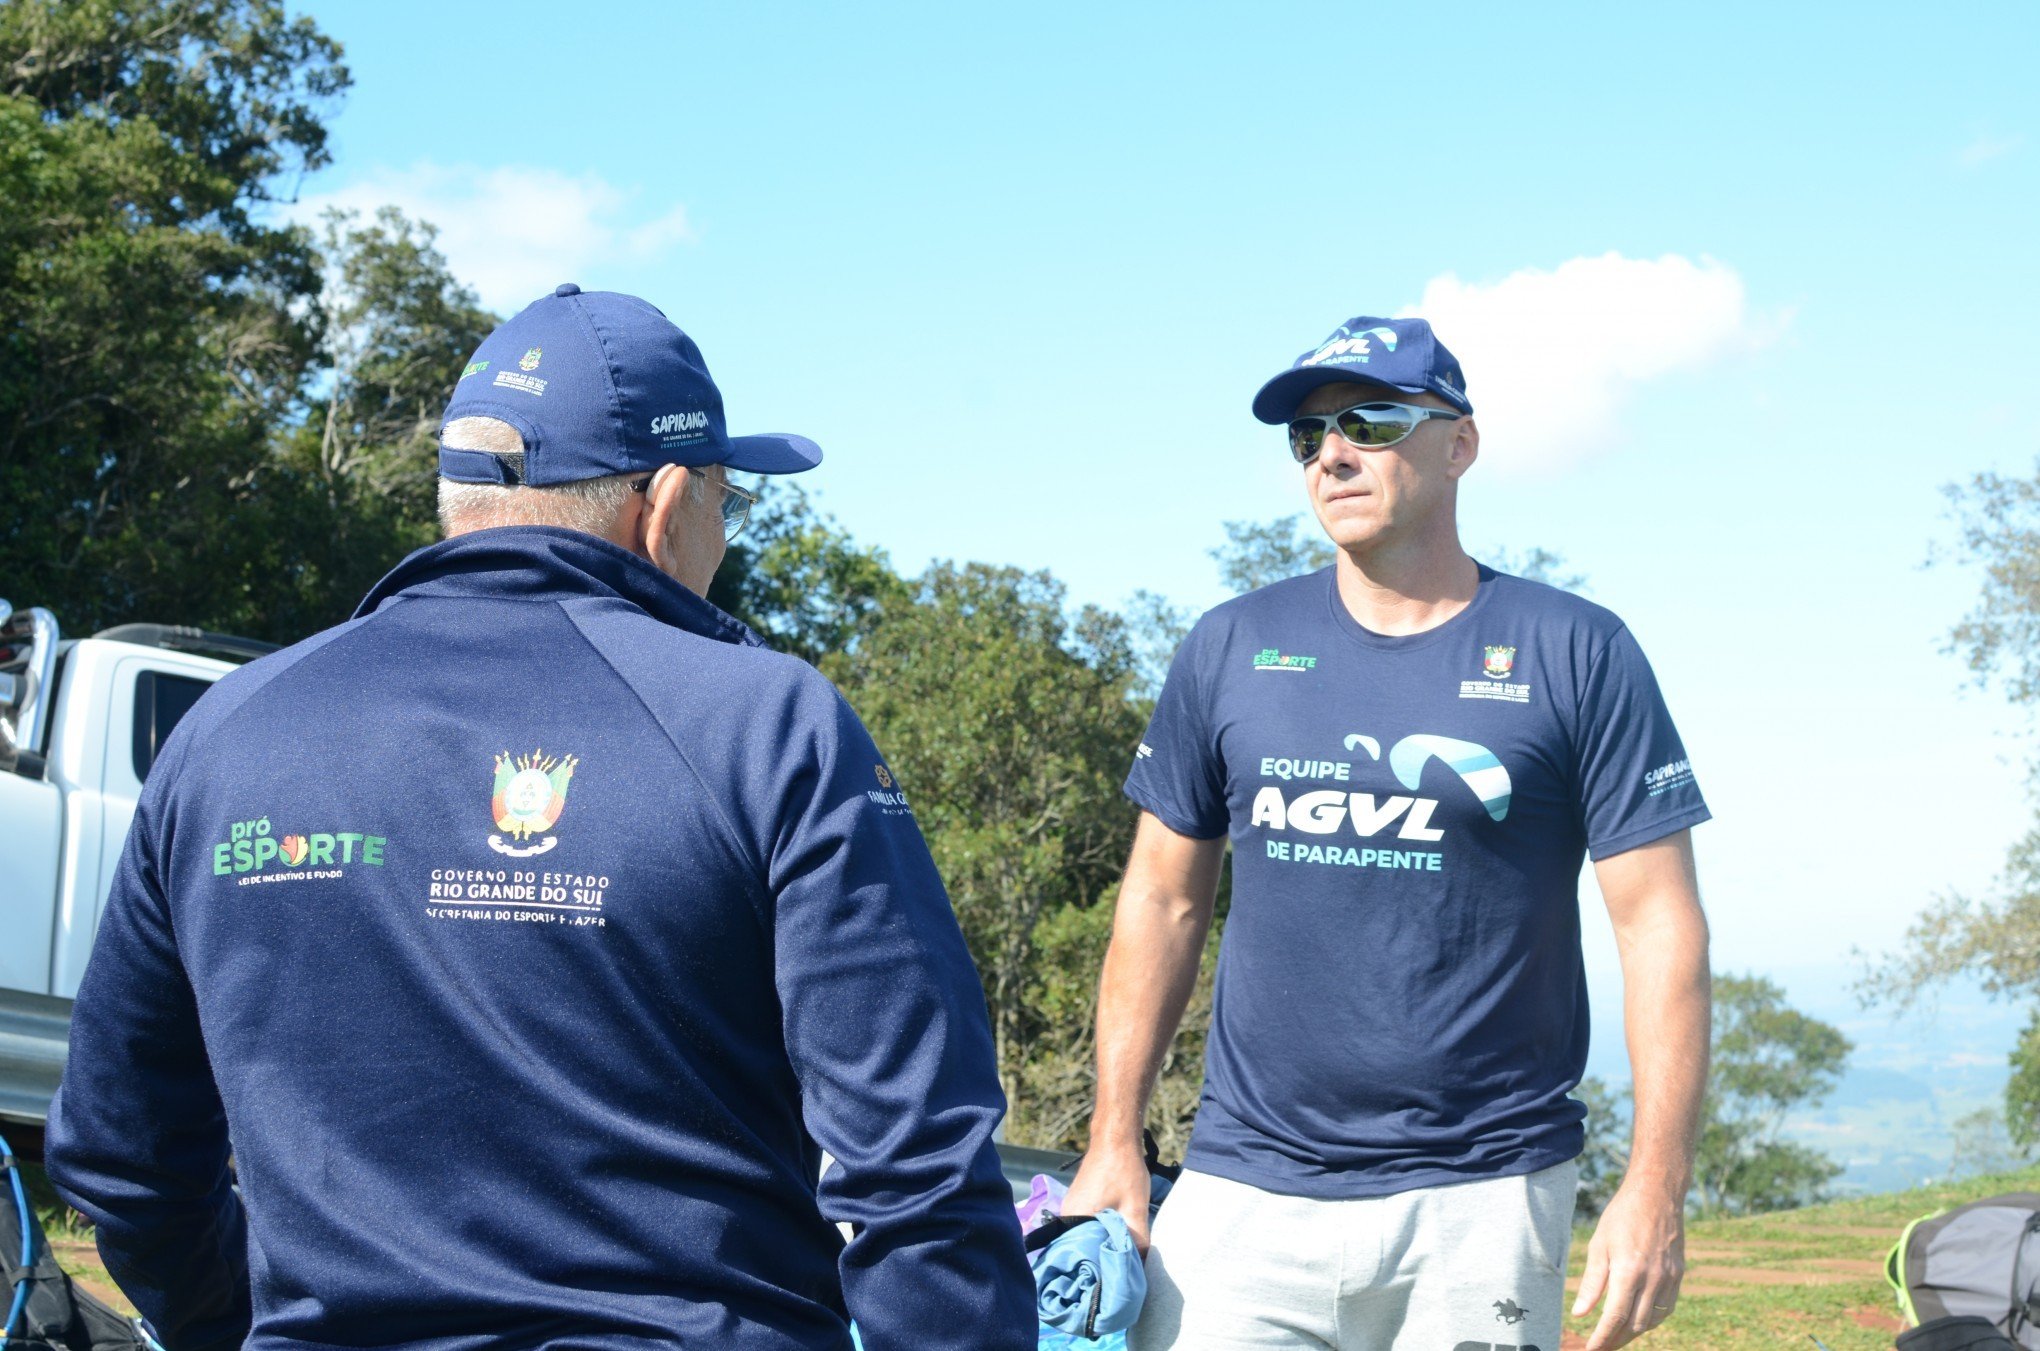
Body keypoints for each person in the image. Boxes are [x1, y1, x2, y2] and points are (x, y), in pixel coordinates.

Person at [45, 284, 1037, 1351]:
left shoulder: (225, 730)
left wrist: (231, 1323)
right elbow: (920, 1174)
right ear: (662, 503)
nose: (721, 535)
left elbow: (122, 1156)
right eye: (727, 501)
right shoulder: (764, 722)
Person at [1062, 315, 1712, 1351]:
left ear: (1460, 443)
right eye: (1308, 434)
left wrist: (1656, 1188)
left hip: (1489, 1196)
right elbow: (1162, 898)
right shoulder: (1233, 644)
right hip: (1246, 1187)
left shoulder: (1578, 651)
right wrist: (1111, 1140)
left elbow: (1660, 929)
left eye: (1370, 420)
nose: (1333, 451)